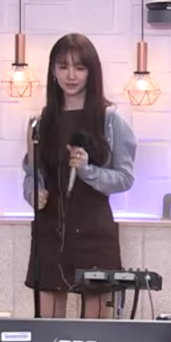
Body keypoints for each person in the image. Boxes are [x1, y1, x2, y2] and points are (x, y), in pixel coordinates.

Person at [23, 33, 137, 319]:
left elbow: (125, 178)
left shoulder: (110, 119)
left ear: (92, 71)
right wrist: (33, 193)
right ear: (53, 70)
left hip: (93, 233)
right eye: (63, 67)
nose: (71, 75)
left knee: (94, 334)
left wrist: (87, 170)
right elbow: (31, 173)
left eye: (79, 67)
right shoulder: (41, 121)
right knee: (47, 330)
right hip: (50, 231)